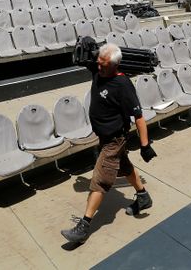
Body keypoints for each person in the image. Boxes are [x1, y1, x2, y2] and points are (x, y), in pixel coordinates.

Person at [61, 42, 157, 244]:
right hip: (104, 137)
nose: (98, 65)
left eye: (102, 63)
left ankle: (84, 226)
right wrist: (86, 45)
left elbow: (138, 117)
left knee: (100, 180)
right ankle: (143, 196)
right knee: (125, 167)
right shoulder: (98, 68)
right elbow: (85, 59)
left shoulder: (122, 85)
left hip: (115, 139)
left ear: (114, 66)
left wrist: (145, 145)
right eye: (98, 61)